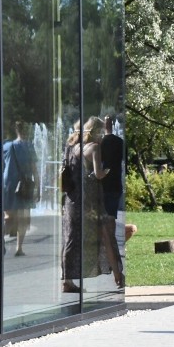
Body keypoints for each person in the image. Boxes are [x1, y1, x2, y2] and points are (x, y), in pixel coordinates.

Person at [61, 117, 122, 292]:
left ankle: (67, 280)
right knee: (106, 235)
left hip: (72, 198)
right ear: (95, 132)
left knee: (70, 238)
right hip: (92, 199)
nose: (102, 136)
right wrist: (107, 171)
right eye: (101, 132)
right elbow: (98, 174)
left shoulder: (71, 147)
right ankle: (117, 275)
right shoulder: (94, 148)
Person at [0, 123, 39, 256]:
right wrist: (38, 188)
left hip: (9, 185)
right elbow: (35, 170)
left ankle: (2, 242)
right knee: (23, 218)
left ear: (15, 131)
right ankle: (19, 248)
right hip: (25, 186)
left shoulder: (6, 147)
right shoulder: (30, 147)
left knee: (8, 217)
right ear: (27, 130)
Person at [100, 116, 125, 287]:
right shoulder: (119, 142)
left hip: (102, 186)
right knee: (111, 221)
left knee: (105, 224)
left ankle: (111, 258)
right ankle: (113, 257)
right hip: (114, 184)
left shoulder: (98, 143)